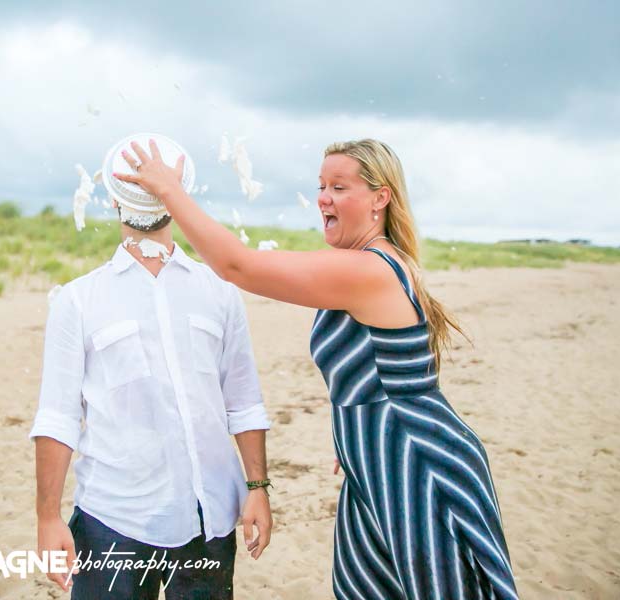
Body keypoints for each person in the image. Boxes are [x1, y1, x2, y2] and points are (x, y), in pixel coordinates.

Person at [115, 138, 519, 599]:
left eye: (340, 187)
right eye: (322, 185)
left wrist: (170, 192)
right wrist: (357, 432)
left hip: (417, 465)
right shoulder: (372, 263)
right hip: (375, 459)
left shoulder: (369, 269)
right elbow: (399, 373)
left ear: (380, 198)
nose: (324, 197)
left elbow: (237, 266)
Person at [29, 193, 273, 600]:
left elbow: (243, 401)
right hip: (112, 519)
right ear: (113, 198)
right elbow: (58, 417)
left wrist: (258, 487)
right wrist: (47, 517)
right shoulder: (78, 299)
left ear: (178, 193)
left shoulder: (219, 292)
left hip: (208, 518)